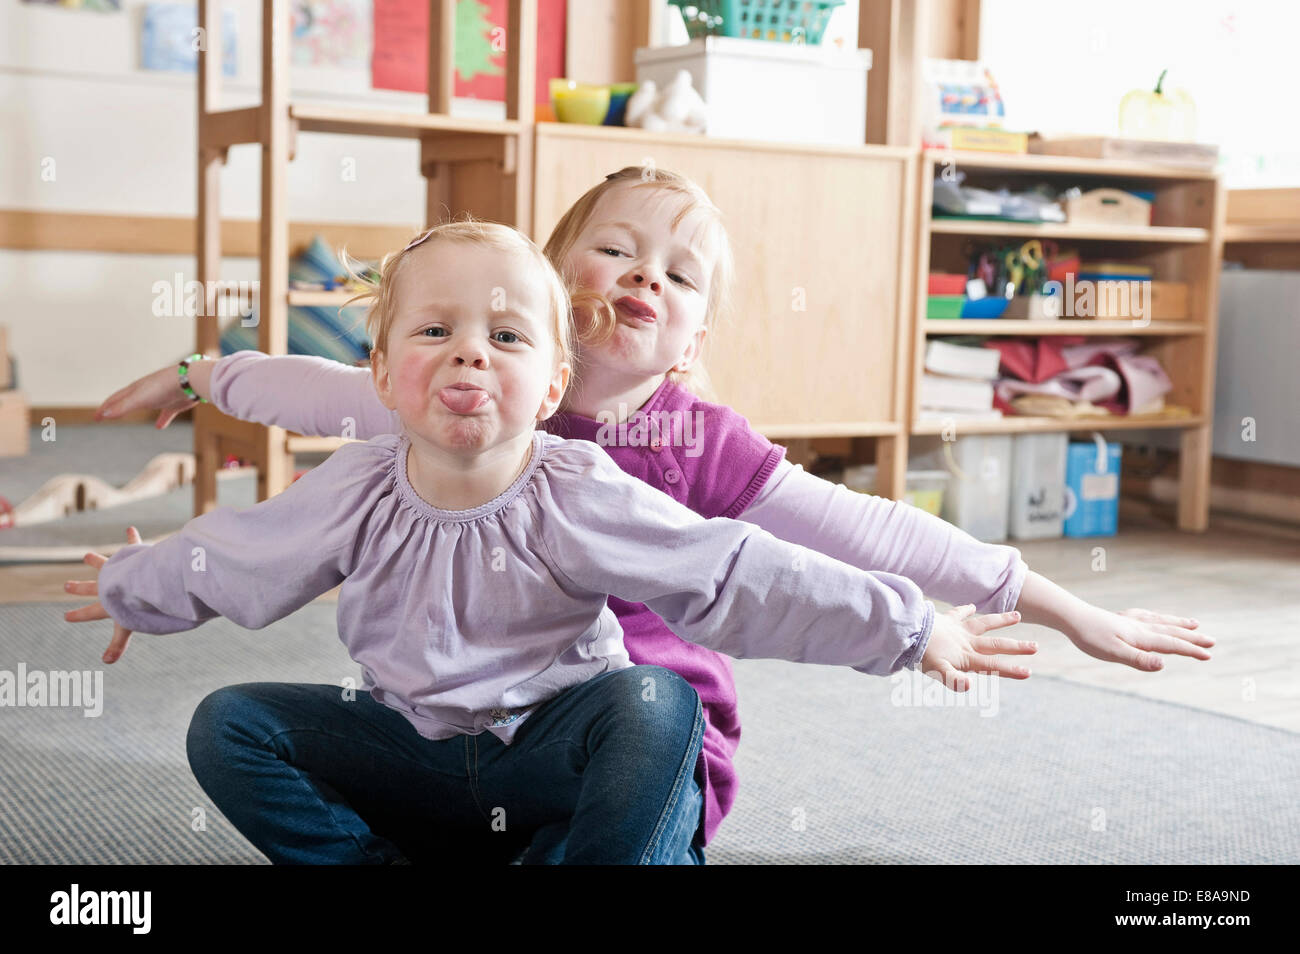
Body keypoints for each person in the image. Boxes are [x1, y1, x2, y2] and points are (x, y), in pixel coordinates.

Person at [94, 166, 1212, 859]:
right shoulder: (458, 399)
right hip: (459, 735)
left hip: (623, 748)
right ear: (548, 275)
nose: (644, 277)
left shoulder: (699, 445)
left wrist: (1050, 605)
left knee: (651, 698)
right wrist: (201, 374)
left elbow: (868, 533)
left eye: (679, 277)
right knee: (237, 723)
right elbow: (317, 389)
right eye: (616, 249)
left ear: (695, 341)